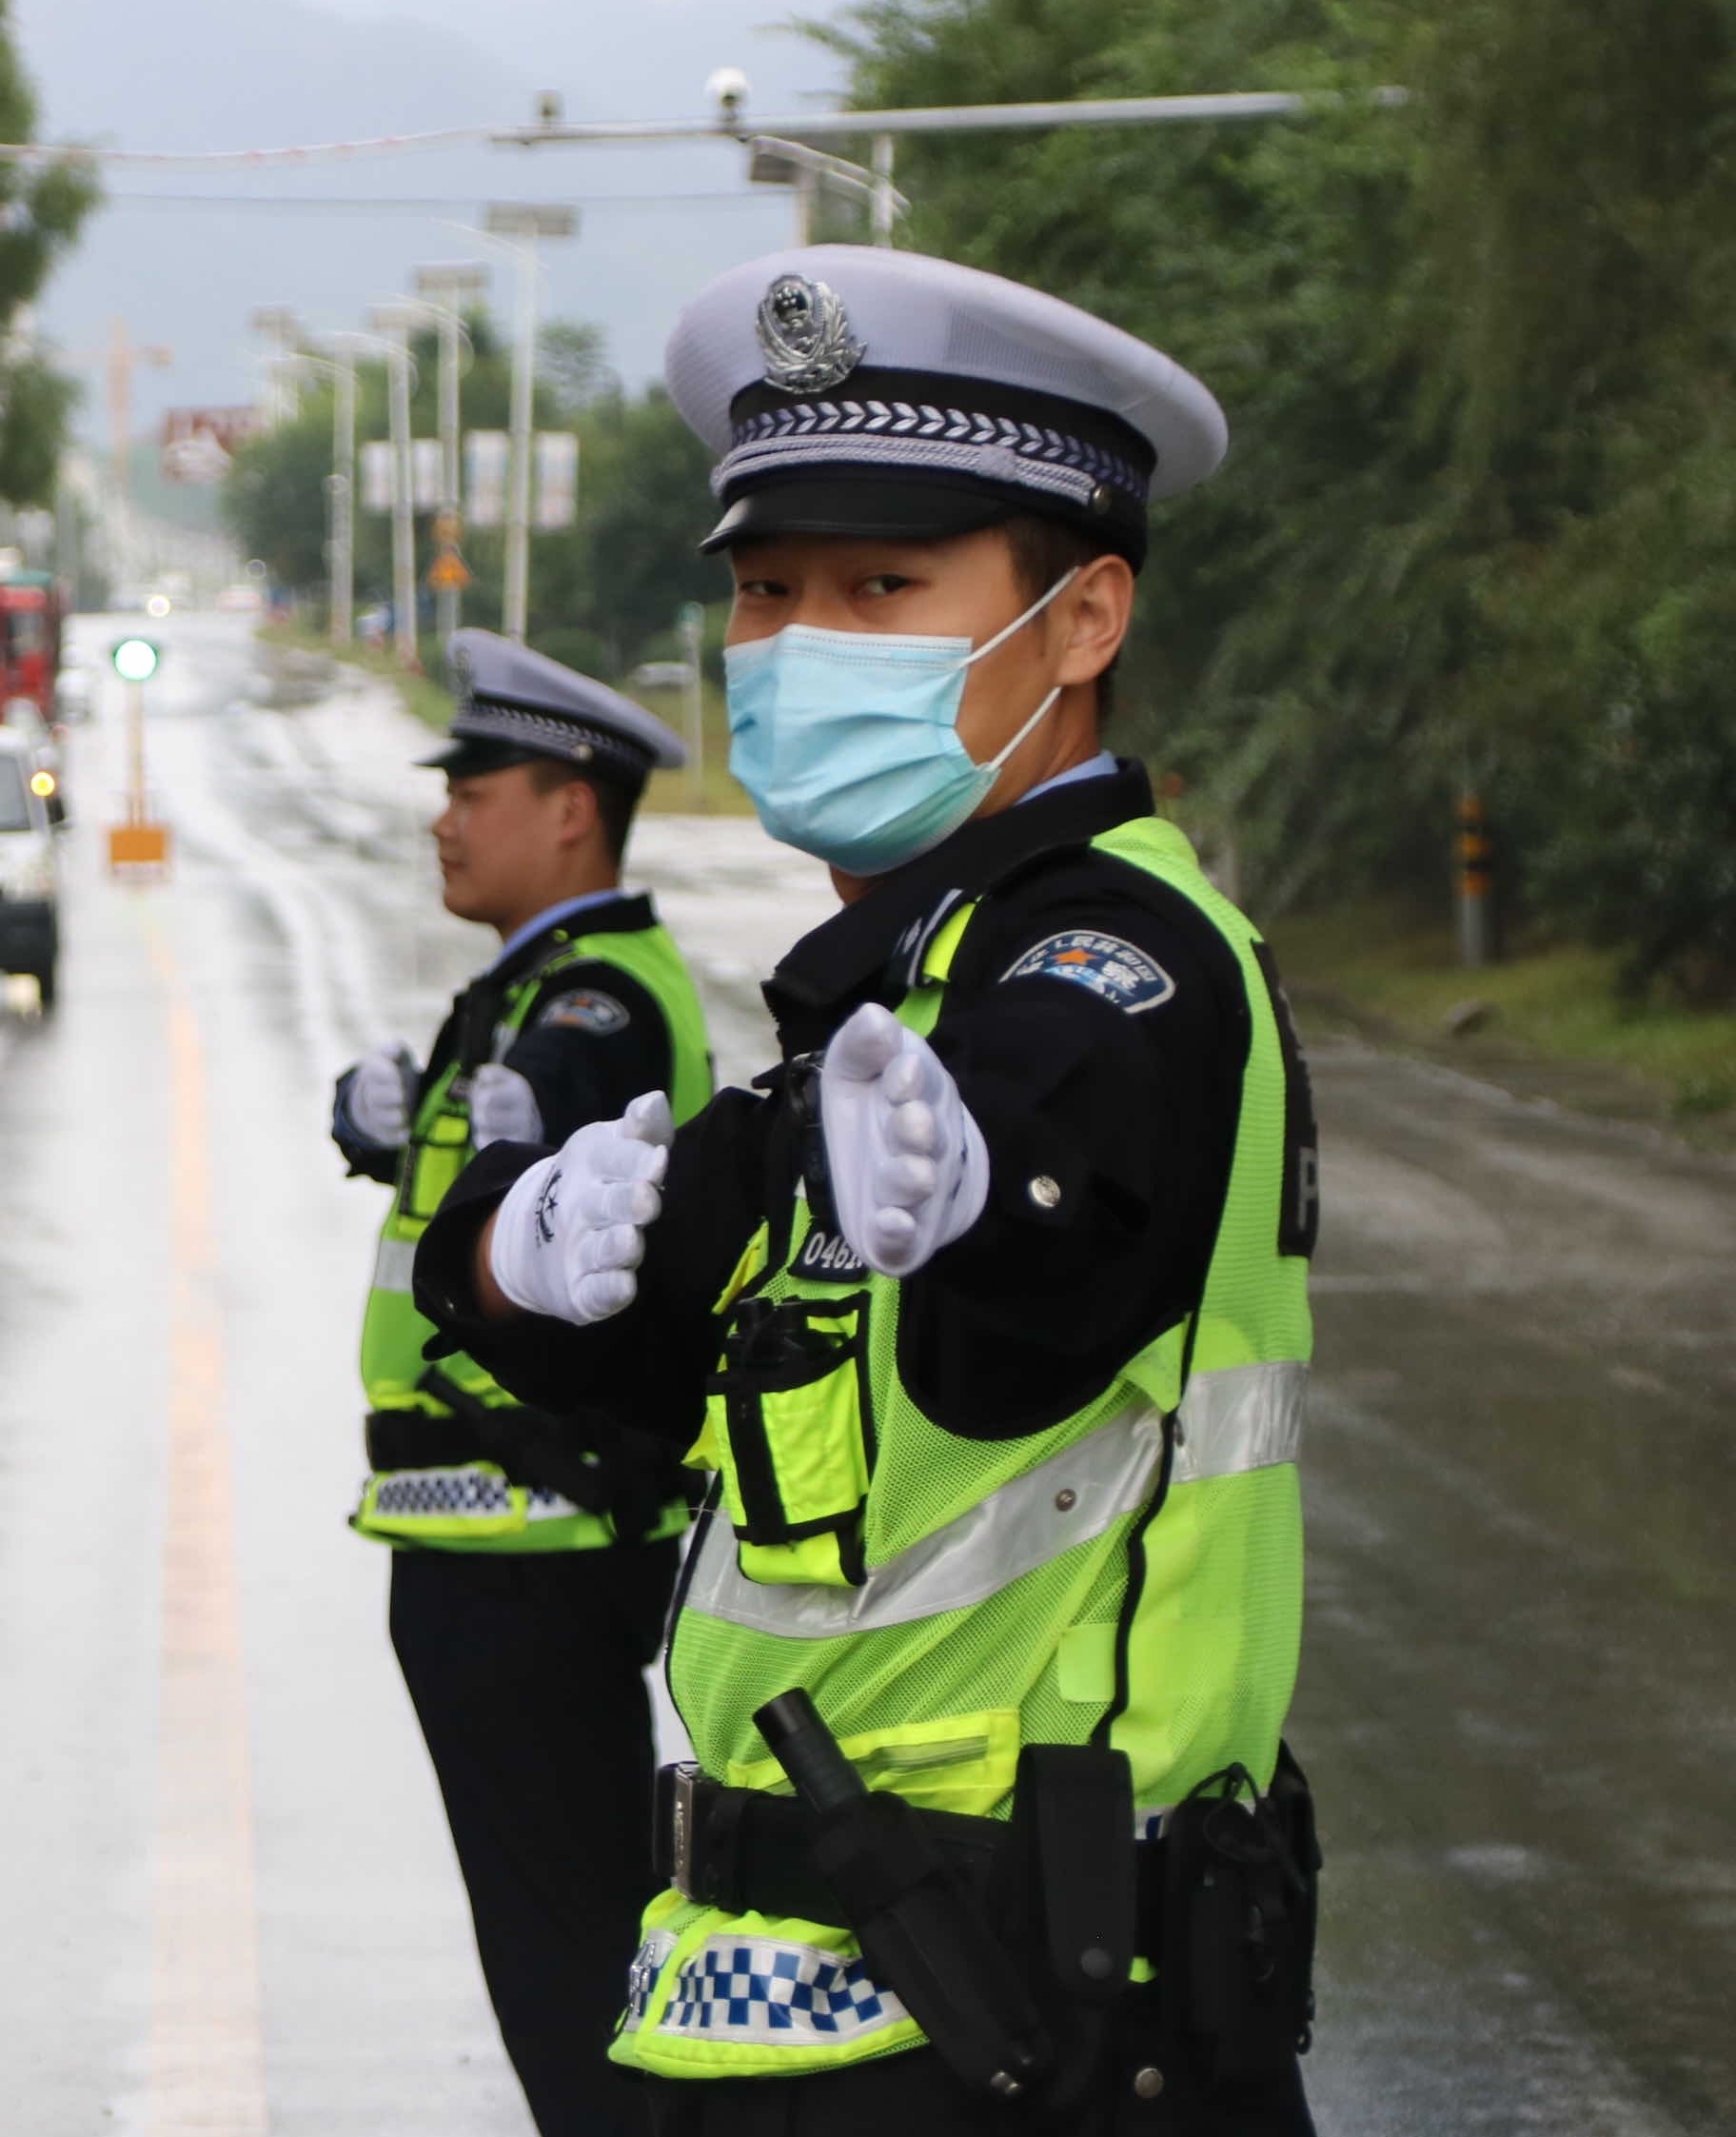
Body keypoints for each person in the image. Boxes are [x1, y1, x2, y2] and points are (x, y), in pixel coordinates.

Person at [411, 247, 1322, 2133]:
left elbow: (1055, 1178)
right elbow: (626, 1328)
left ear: (1083, 622)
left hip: (1035, 2016)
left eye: (883, 588)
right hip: (784, 2000)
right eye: (767, 589)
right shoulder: (889, 998)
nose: (802, 637)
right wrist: (515, 1246)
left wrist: (978, 1184)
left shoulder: (1114, 954)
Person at [329, 632, 711, 2137]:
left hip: (531, 1543)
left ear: (570, 807)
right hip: (492, 1533)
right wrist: (386, 1132)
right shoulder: (531, 985)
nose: (445, 815)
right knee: (564, 1940)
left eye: (473, 787)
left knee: (567, 1956)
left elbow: (551, 1177)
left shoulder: (592, 999)